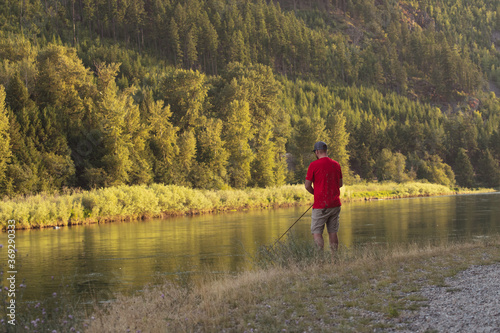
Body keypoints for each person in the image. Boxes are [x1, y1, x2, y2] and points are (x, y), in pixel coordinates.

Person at [305, 141, 343, 251]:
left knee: (316, 232)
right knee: (333, 232)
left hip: (320, 205)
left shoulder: (313, 165)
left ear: (316, 152)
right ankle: (334, 258)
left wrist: (316, 194)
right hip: (335, 204)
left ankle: (320, 259)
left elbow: (307, 186)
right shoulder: (336, 164)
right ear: (326, 151)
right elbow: (340, 184)